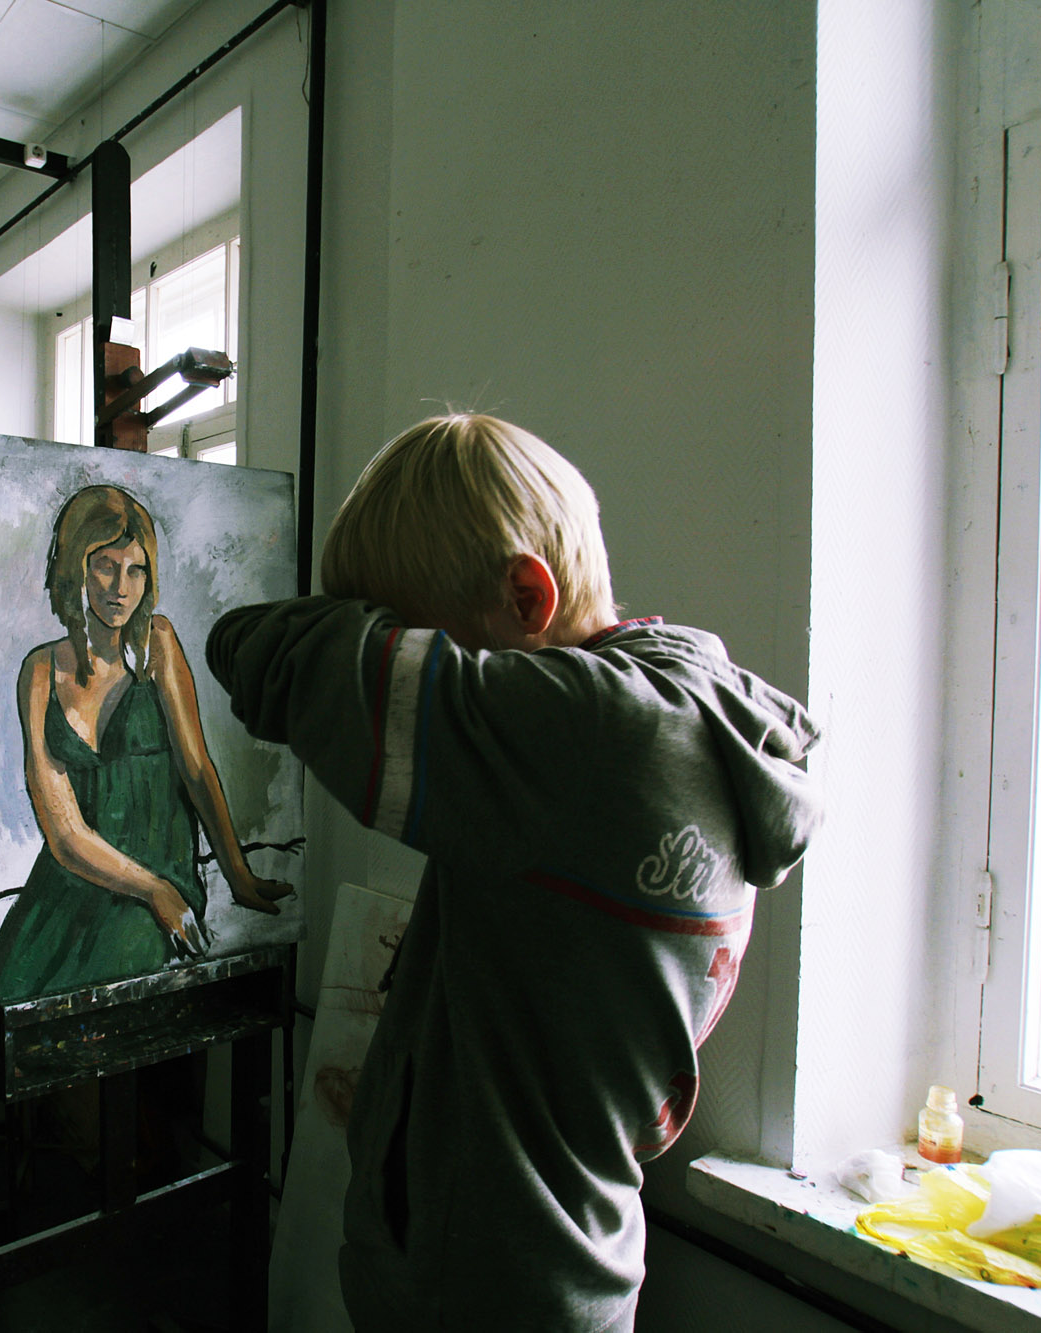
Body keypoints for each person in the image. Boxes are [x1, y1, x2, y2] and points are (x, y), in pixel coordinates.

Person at [205, 415, 825, 1331]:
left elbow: (259, 647)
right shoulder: (682, 716)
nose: (409, 660)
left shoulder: (582, 737)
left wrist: (361, 635)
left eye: (415, 643)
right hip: (554, 1259)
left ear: (527, 598)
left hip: (479, 1291)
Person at [0, 484, 293, 1009]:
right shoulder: (39, 671)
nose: (121, 588)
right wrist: (151, 890)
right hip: (76, 877)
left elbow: (197, 771)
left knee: (113, 978)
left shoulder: (157, 644)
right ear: (76, 568)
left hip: (160, 875)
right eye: (105, 566)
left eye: (136, 570)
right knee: (4, 991)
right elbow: (64, 832)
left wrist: (238, 875)